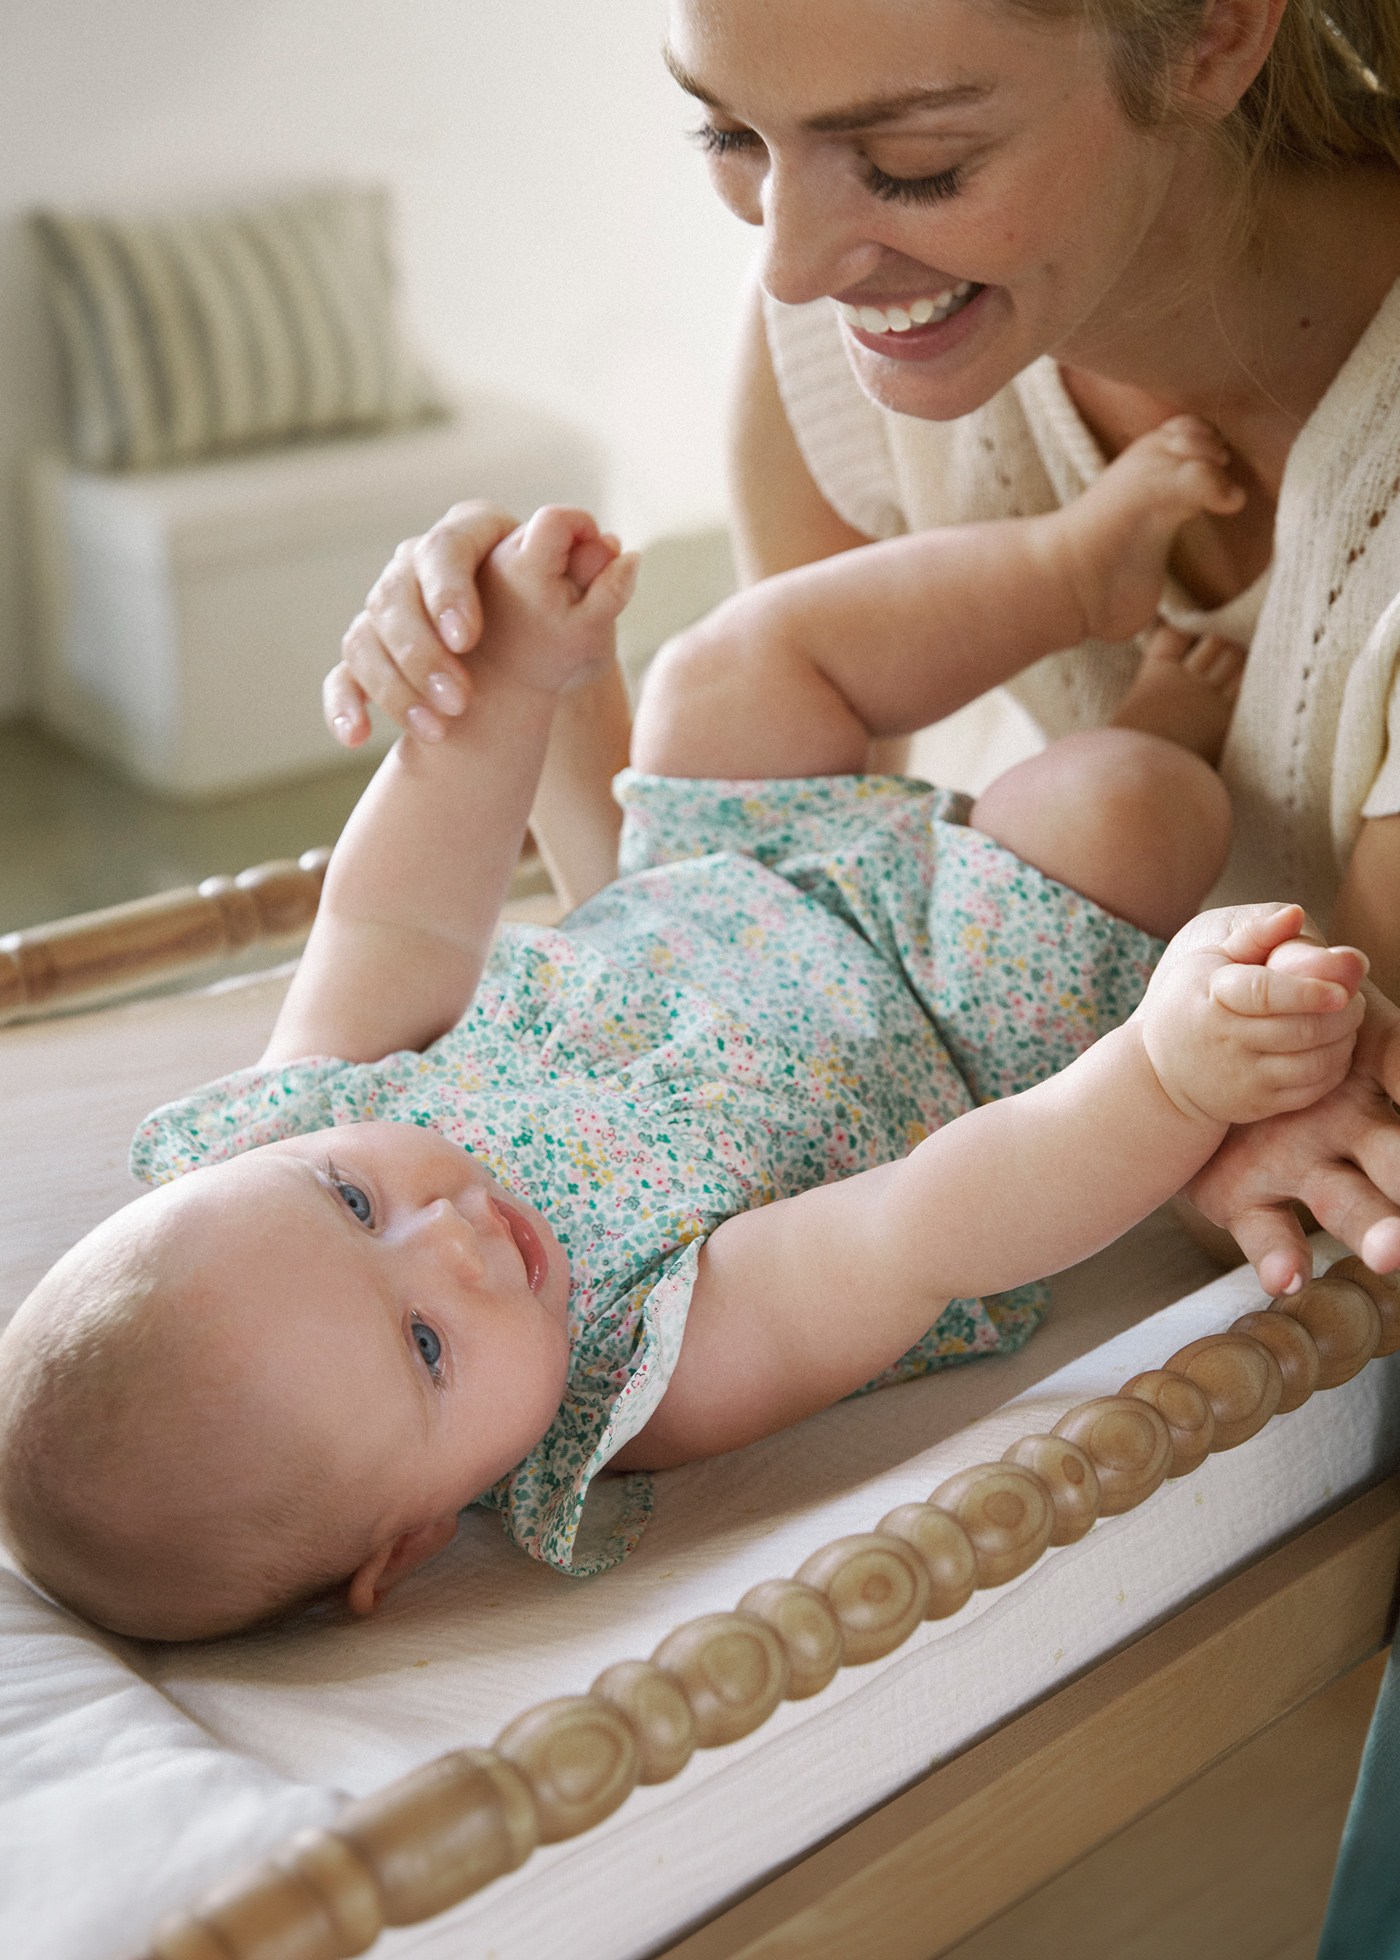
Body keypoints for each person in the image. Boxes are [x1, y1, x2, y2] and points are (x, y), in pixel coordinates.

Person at [0, 423, 1386, 1645]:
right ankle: (1158, 709)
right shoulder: (632, 1370)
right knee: (1124, 804)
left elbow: (395, 919)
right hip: (951, 1001)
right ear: (414, 1538)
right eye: (425, 1347)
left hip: (708, 879)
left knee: (728, 665)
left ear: (246, 1159)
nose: (450, 1236)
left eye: (350, 1199)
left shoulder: (296, 1116)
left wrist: (510, 686)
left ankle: (1069, 569)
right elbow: (914, 1229)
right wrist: (1159, 1073)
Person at [319, 0, 1400, 1246]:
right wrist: (519, 692)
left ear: (1214, 32)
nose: (787, 264)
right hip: (979, 1008)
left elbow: (1333, 1166)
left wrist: (1160, 1134)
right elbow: (730, 932)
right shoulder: (848, 336)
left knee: (1110, 813)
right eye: (726, 134)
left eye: (912, 166)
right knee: (724, 683)